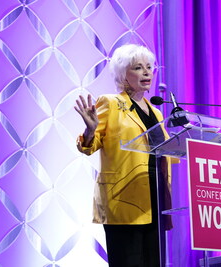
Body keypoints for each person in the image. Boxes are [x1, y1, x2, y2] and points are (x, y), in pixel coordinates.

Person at [74, 44, 174, 267]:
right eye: (138, 67)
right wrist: (90, 129)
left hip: (155, 199)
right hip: (124, 198)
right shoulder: (110, 103)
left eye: (149, 67)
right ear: (122, 74)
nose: (147, 72)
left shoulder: (156, 112)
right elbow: (89, 146)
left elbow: (166, 152)